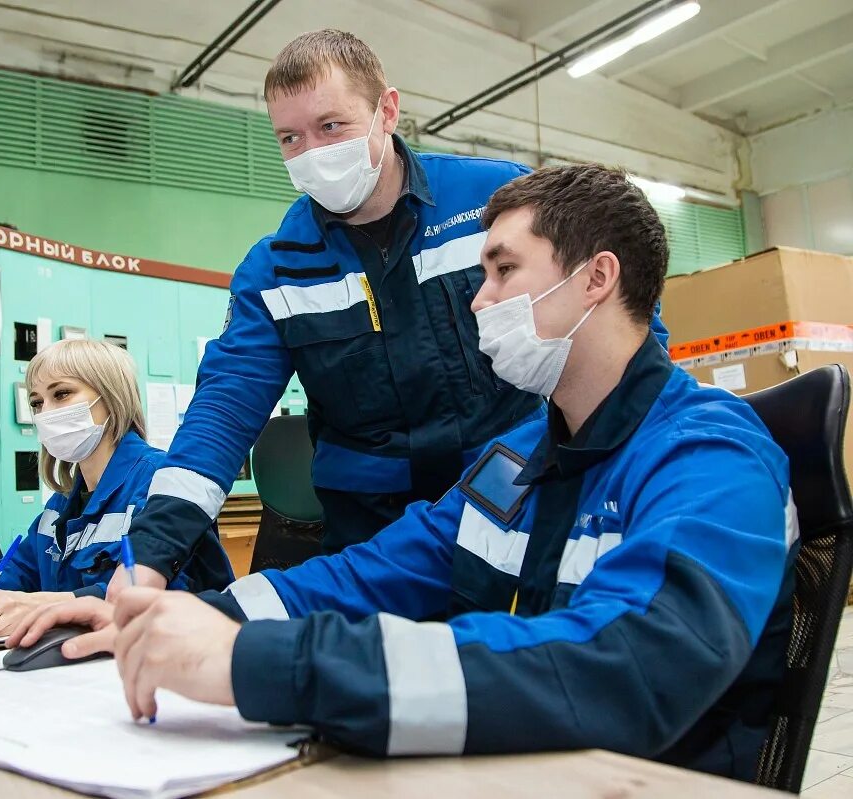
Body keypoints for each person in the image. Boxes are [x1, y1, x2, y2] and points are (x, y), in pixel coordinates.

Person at [7, 164, 795, 782]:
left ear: (595, 278)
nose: (478, 299)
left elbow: (625, 670)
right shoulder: (517, 462)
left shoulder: (709, 456)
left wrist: (259, 666)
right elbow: (374, 574)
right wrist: (179, 621)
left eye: (502, 269)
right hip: (522, 766)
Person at [115, 29, 667, 594]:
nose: (313, 154)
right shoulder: (275, 270)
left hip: (511, 492)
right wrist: (147, 562)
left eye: (331, 126)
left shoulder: (493, 202)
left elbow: (620, 323)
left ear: (388, 110)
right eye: (290, 139)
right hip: (368, 530)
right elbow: (222, 412)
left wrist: (634, 458)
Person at [0, 339, 232, 638]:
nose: (46, 412)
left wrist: (51, 604)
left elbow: (172, 594)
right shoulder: (62, 503)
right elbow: (23, 567)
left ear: (111, 397)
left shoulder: (161, 483)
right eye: (37, 402)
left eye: (62, 394)